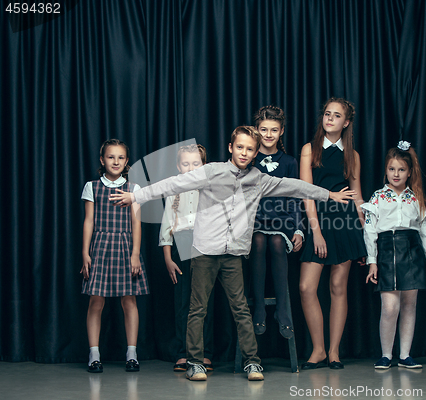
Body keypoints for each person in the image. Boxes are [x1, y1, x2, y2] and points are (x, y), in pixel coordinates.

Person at [110, 126, 357, 381]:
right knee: (197, 309)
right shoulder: (211, 172)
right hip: (205, 250)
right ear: (231, 147)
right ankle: (195, 362)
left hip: (233, 254)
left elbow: (292, 186)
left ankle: (253, 362)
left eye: (250, 149)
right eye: (240, 147)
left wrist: (328, 194)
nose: (244, 152)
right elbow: (174, 183)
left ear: (255, 153)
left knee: (240, 308)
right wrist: (137, 195)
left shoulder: (258, 179)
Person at [299, 97, 367, 370]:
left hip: (345, 223)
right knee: (306, 287)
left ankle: (334, 352)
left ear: (346, 122)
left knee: (338, 288)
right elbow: (307, 193)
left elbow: (358, 197)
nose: (329, 119)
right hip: (319, 222)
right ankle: (318, 350)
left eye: (336, 115)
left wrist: (366, 239)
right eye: (327, 114)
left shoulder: (353, 155)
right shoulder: (309, 150)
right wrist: (316, 232)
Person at [362, 141, 426, 369]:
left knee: (409, 304)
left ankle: (405, 355)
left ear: (409, 172)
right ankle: (386, 355)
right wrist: (372, 261)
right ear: (386, 170)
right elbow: (369, 231)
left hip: (412, 250)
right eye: (391, 169)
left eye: (401, 170)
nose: (396, 174)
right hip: (386, 250)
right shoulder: (377, 197)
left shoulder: (416, 198)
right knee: (389, 307)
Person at [80, 139, 149, 373]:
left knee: (129, 300)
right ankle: (94, 354)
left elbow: (136, 223)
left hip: (125, 246)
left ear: (127, 161)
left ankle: (132, 353)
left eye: (121, 157)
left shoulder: (134, 188)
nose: (116, 161)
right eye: (111, 157)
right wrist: (85, 253)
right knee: (96, 301)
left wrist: (135, 253)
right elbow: (89, 221)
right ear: (102, 160)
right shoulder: (92, 186)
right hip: (100, 247)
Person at [158, 144, 215, 372]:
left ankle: (205, 353)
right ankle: (184, 353)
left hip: (206, 244)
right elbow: (166, 225)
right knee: (183, 302)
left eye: (195, 163)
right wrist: (168, 258)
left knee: (205, 302)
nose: (190, 168)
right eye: (185, 164)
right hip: (182, 243)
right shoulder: (174, 189)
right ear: (178, 166)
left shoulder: (211, 188)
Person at [250, 105, 302, 339]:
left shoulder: (289, 162)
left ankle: (283, 310)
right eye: (264, 129)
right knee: (259, 241)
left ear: (281, 132)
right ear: (257, 131)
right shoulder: (248, 158)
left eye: (274, 130)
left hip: (281, 221)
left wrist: (299, 228)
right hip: (256, 221)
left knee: (277, 244)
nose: (268, 135)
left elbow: (295, 197)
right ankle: (259, 308)